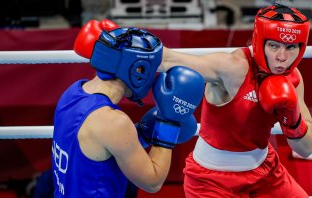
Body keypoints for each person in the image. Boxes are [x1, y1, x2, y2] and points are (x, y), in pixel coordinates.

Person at [159, 4, 312, 197]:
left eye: (290, 47)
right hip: (211, 180)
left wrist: (293, 120)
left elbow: (306, 149)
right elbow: (168, 60)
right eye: (274, 46)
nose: (282, 57)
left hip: (265, 172)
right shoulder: (233, 67)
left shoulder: (293, 79)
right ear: (261, 42)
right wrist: (131, 46)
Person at [51, 19, 205, 197]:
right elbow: (153, 182)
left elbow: (98, 150)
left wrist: (142, 134)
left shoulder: (72, 93)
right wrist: (168, 123)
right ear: (138, 69)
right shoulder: (113, 122)